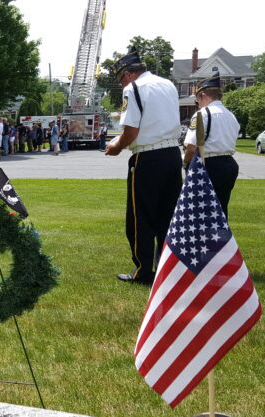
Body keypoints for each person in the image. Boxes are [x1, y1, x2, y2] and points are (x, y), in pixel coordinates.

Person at [104, 49, 182, 285]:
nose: (121, 85)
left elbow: (131, 131)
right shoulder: (167, 84)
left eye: (120, 80)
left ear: (127, 75)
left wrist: (116, 147)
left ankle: (143, 271)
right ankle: (166, 268)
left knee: (140, 218)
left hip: (147, 156)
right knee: (167, 216)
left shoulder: (133, 89)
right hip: (172, 154)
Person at [183, 72, 240, 219]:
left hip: (209, 165)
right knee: (221, 210)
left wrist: (185, 162)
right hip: (229, 164)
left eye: (197, 101)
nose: (198, 104)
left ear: (202, 95)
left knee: (201, 211)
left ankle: (203, 241)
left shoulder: (203, 114)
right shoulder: (230, 115)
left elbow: (191, 147)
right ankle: (221, 241)